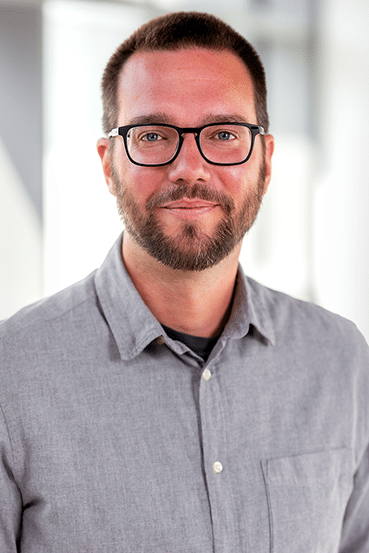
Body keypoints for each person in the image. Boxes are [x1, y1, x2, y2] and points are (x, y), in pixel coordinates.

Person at [0, 11, 368, 553]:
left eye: (223, 134)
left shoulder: (341, 360)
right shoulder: (13, 374)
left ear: (266, 162)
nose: (190, 168)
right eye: (153, 135)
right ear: (108, 164)